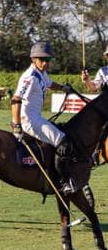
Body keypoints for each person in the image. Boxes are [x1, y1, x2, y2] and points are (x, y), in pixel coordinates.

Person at [10, 41, 76, 194]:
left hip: (36, 117)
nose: (45, 63)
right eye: (41, 59)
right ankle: (64, 182)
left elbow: (49, 83)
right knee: (63, 141)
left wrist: (64, 88)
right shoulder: (29, 77)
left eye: (47, 60)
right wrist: (16, 124)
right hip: (29, 120)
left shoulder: (41, 73)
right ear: (33, 59)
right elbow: (15, 99)